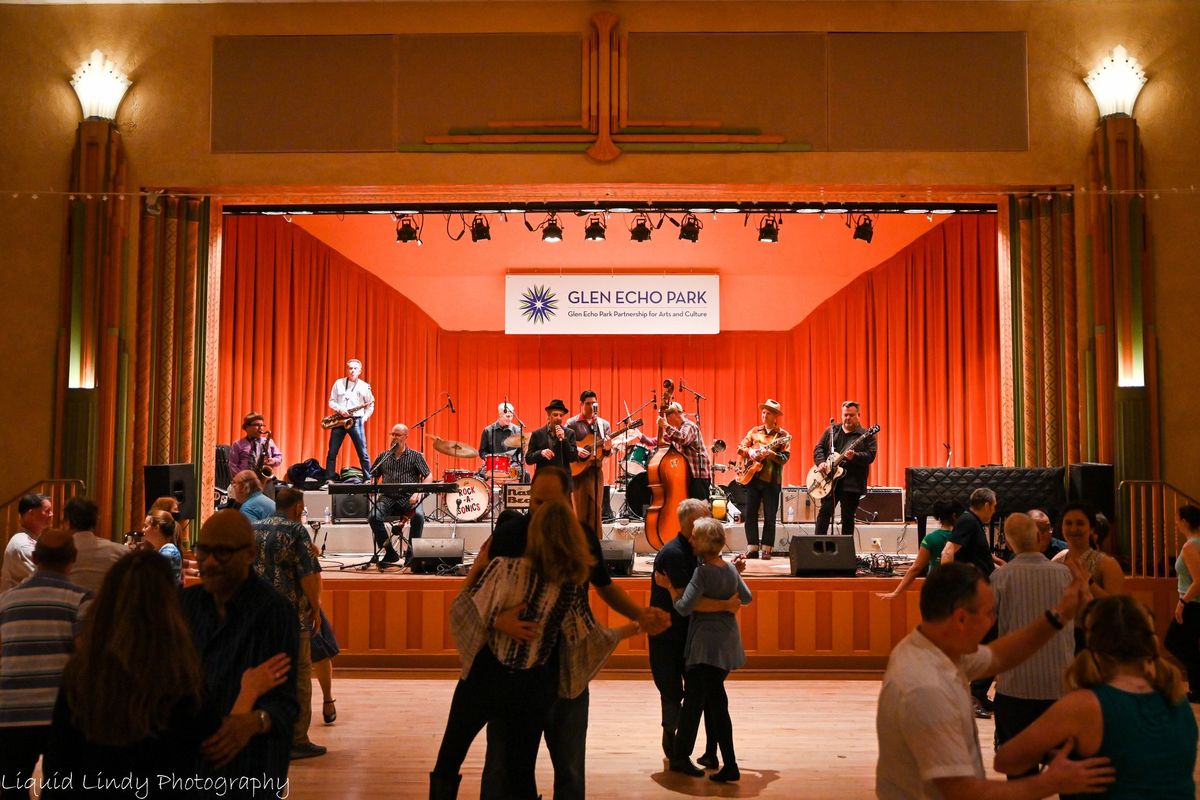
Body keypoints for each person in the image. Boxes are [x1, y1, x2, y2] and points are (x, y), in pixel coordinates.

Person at [471, 467, 669, 800]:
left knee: (570, 773)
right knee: (503, 772)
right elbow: (472, 589)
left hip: (568, 674)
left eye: (550, 503)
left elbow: (605, 589)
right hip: (513, 675)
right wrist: (496, 621)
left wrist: (641, 614)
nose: (541, 510)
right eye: (536, 502)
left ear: (568, 500)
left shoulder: (583, 536)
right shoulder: (509, 534)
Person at [432, 498, 640, 800]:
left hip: (484, 678)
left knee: (456, 760)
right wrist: (631, 628)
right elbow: (586, 638)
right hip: (530, 688)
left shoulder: (504, 568)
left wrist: (481, 581)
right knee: (519, 774)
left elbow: (464, 611)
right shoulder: (567, 585)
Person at [41, 549, 291, 799]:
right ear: (168, 606)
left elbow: (57, 768)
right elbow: (217, 749)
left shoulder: (81, 675)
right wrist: (249, 691)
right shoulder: (177, 679)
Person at [875, 562, 1114, 800]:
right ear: (960, 619)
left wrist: (1059, 616)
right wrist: (1050, 782)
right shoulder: (927, 690)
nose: (993, 621)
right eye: (990, 613)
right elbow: (962, 793)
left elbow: (999, 655)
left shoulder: (930, 647)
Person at [995, 595, 1197, 799]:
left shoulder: (1086, 705)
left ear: (1090, 641)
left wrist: (1051, 772)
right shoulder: (1176, 698)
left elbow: (1004, 760)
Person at [179, 510, 299, 792]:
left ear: (249, 554)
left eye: (221, 553)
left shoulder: (274, 612)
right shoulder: (184, 605)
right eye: (202, 550)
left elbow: (286, 703)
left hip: (250, 769)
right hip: (188, 768)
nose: (208, 562)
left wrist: (255, 721)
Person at [656, 518, 753, 783]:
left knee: (714, 704)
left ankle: (728, 764)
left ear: (705, 542)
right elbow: (746, 598)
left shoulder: (702, 573)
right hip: (726, 645)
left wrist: (670, 588)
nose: (691, 540)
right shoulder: (730, 571)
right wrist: (726, 594)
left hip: (705, 648)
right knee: (702, 699)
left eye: (695, 537)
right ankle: (705, 755)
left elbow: (684, 607)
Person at [0, 529, 91, 800]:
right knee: (61, 788)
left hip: (11, 710)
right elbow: (85, 658)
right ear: (73, 557)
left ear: (36, 557)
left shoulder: (6, 601)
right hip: (61, 713)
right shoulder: (83, 600)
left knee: (11, 789)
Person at [988, 513, 1076, 772]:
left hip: (1016, 687)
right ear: (1038, 537)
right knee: (1065, 772)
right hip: (1060, 685)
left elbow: (988, 626)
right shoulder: (1064, 575)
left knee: (1020, 774)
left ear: (1007, 541)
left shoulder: (1000, 578)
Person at [648, 499, 725, 767]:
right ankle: (676, 754)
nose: (712, 522)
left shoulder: (697, 550)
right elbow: (686, 603)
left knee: (699, 695)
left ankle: (702, 753)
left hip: (689, 636)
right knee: (672, 695)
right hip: (669, 637)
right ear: (694, 524)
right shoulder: (674, 554)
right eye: (707, 517)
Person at [252, 487, 326, 760]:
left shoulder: (255, 528)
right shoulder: (297, 532)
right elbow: (307, 574)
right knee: (299, 676)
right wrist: (315, 608)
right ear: (297, 507)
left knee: (265, 674)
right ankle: (296, 739)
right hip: (291, 618)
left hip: (259, 617)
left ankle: (264, 734)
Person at [941, 488, 1005, 715]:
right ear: (986, 504)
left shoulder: (973, 522)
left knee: (990, 641)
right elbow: (948, 552)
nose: (995, 510)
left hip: (982, 592)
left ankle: (977, 693)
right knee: (991, 642)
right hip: (974, 595)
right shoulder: (969, 522)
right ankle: (974, 694)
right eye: (994, 506)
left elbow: (982, 557)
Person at [1051, 503, 1125, 651]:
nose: (1073, 529)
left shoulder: (1106, 563)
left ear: (1091, 528)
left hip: (1094, 636)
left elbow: (1116, 606)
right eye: (1068, 523)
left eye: (1080, 523)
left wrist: (1088, 581)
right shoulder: (1058, 559)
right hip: (1060, 635)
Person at [368, 423, 433, 564]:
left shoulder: (415, 456)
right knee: (373, 517)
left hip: (408, 498)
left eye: (398, 435)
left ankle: (411, 554)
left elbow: (428, 476)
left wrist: (418, 492)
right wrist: (371, 483)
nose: (394, 437)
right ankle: (390, 553)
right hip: (387, 498)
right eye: (393, 434)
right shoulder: (383, 456)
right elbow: (373, 475)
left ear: (405, 437)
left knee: (419, 517)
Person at [813, 400, 877, 537]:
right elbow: (819, 448)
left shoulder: (866, 434)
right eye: (845, 415)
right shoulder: (832, 431)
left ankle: (846, 553)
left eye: (851, 415)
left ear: (858, 415)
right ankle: (817, 548)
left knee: (847, 518)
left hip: (852, 483)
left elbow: (870, 456)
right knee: (824, 513)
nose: (847, 418)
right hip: (830, 481)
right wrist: (821, 463)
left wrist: (855, 456)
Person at [737, 398, 791, 559]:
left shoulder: (783, 435)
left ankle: (767, 549)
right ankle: (752, 548)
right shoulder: (754, 431)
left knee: (770, 515)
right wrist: (750, 452)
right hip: (753, 477)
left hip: (772, 481)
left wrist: (771, 454)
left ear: (775, 416)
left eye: (768, 413)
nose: (764, 415)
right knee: (750, 514)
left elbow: (784, 458)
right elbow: (741, 447)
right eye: (763, 412)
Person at [877, 500, 961, 600]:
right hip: (959, 589)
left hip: (935, 588)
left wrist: (896, 592)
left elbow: (916, 568)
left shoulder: (930, 538)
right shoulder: (963, 537)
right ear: (955, 516)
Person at [1164, 504, 1200, 702]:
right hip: (1194, 603)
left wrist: (1182, 603)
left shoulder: (1190, 546)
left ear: (1185, 521)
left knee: (1174, 642)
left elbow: (1199, 580)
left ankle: (1198, 687)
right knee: (1188, 644)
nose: (1175, 522)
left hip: (1193, 604)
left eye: (1177, 518)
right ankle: (1197, 689)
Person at [566, 390, 612, 536]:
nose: (591, 406)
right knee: (580, 511)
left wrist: (607, 448)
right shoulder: (572, 423)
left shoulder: (603, 424)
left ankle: (597, 545)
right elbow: (565, 446)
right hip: (578, 472)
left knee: (596, 511)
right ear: (581, 404)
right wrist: (577, 449)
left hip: (596, 471)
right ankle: (580, 545)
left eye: (594, 403)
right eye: (588, 404)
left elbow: (607, 453)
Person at [324, 358, 375, 480]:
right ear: (347, 370)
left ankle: (369, 479)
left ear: (360, 371)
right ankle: (329, 479)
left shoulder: (364, 386)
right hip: (340, 419)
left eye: (355, 368)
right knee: (332, 452)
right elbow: (331, 401)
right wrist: (340, 409)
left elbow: (370, 404)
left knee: (363, 453)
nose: (352, 370)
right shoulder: (338, 383)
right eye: (350, 368)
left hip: (356, 420)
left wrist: (364, 418)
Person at [63, 497, 125, 595]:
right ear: (95, 521)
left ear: (67, 522)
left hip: (67, 608)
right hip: (105, 608)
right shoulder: (120, 551)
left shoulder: (58, 552)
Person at [658, 401, 713, 501]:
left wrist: (666, 426)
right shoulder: (677, 430)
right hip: (690, 476)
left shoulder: (689, 426)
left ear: (675, 413)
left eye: (667, 416)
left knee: (699, 510)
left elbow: (683, 439)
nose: (666, 419)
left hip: (699, 476)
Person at [0, 493, 53, 594]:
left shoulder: (31, 540)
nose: (51, 514)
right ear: (31, 514)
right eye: (47, 511)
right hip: (15, 606)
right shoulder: (23, 544)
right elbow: (45, 580)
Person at [525, 399, 579, 482]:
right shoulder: (537, 434)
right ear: (548, 416)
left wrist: (564, 439)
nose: (558, 418)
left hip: (563, 481)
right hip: (543, 480)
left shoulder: (569, 433)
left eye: (561, 415)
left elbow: (573, 457)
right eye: (555, 415)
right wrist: (541, 453)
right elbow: (528, 459)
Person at [227, 412, 282, 478]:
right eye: (257, 425)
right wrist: (242, 478)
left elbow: (279, 457)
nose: (261, 428)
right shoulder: (238, 444)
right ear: (247, 427)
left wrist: (273, 460)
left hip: (265, 481)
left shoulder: (269, 441)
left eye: (262, 425)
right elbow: (232, 465)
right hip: (245, 481)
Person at [479, 402, 525, 481]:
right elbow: (482, 451)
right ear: (500, 414)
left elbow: (521, 451)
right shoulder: (488, 430)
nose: (510, 418)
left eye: (511, 416)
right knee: (480, 475)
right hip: (493, 464)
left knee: (525, 474)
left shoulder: (517, 431)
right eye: (507, 416)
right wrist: (487, 459)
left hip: (512, 464)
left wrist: (520, 459)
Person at [141, 509, 183, 585]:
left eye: (146, 526)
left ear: (156, 528)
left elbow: (149, 581)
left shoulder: (169, 552)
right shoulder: (158, 550)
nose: (142, 529)